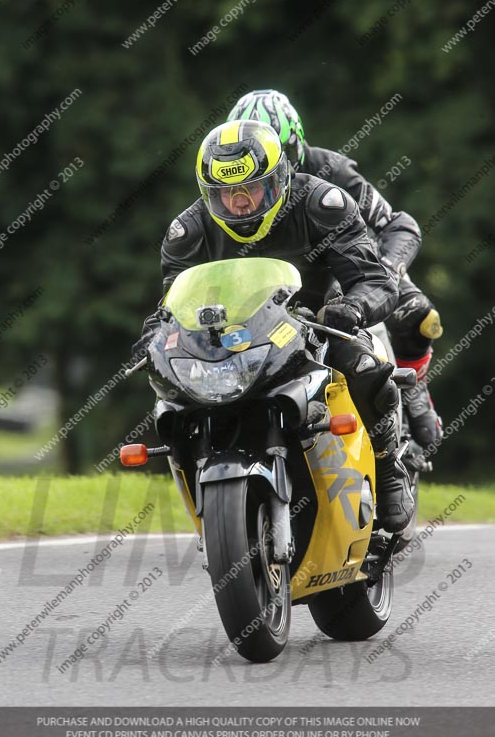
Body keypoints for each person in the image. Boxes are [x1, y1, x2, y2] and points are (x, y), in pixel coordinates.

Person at [134, 119, 414, 532]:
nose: (240, 203)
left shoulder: (323, 204)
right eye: (226, 193)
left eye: (251, 188)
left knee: (363, 367)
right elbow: (172, 303)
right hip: (230, 339)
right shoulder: (188, 231)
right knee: (174, 399)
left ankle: (390, 467)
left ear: (279, 179)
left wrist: (352, 309)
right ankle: (209, 495)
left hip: (318, 322)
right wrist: (152, 336)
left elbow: (375, 281)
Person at [227, 89, 443, 449]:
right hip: (280, 285)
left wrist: (386, 271)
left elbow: (399, 225)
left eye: (274, 156)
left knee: (419, 316)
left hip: (350, 267)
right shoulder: (231, 190)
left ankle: (414, 386)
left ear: (294, 145)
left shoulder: (333, 171)